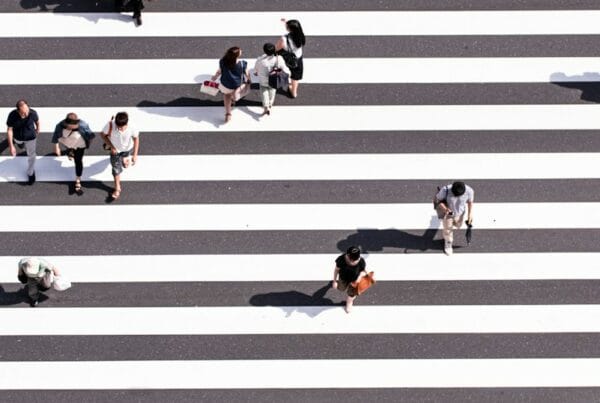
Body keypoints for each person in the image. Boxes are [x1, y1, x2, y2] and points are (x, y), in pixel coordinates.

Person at [52, 113, 95, 195]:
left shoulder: (83, 125)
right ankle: (70, 151)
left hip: (80, 145)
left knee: (78, 161)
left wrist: (87, 144)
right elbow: (55, 135)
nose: (75, 126)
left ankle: (78, 179)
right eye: (72, 125)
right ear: (67, 123)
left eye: (76, 125)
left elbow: (90, 136)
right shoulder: (60, 126)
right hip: (68, 143)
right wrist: (56, 147)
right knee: (69, 148)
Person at [100, 112, 140, 200]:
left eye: (122, 127)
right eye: (118, 127)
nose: (120, 129)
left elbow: (136, 139)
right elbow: (102, 134)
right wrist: (112, 147)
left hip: (128, 148)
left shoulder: (132, 127)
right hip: (115, 151)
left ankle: (125, 159)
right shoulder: (111, 124)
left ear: (127, 123)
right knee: (115, 168)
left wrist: (135, 155)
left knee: (125, 158)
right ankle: (117, 188)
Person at [211, 47, 250, 123]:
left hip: (225, 84)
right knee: (242, 88)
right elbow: (247, 73)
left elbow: (219, 71)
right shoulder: (242, 64)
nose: (241, 50)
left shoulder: (222, 61)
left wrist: (215, 77)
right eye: (239, 51)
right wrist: (249, 80)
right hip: (237, 85)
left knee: (226, 95)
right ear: (236, 56)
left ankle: (228, 113)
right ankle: (234, 97)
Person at [434, 181, 474, 256]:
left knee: (458, 225)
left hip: (460, 213)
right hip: (448, 213)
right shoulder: (445, 190)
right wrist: (445, 209)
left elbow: (470, 202)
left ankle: (452, 227)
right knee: (448, 228)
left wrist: (470, 215)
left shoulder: (469, 191)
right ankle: (448, 242)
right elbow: (437, 200)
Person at [6, 99, 40, 185]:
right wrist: (11, 146)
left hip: (31, 138)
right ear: (18, 111)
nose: (26, 114)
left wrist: (38, 128)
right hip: (18, 137)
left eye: (27, 111)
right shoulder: (12, 115)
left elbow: (37, 121)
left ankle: (30, 172)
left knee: (32, 155)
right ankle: (19, 144)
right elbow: (10, 130)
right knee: (20, 145)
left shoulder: (32, 113)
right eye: (23, 113)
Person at [254, 43, 290, 116]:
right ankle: (270, 104)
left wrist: (255, 72)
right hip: (274, 80)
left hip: (263, 80)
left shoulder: (260, 59)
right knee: (272, 91)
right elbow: (285, 69)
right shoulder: (278, 59)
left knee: (264, 92)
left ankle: (266, 106)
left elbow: (256, 69)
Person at [332, 246, 367, 313]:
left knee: (352, 293)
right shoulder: (341, 259)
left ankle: (349, 302)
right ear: (347, 255)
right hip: (343, 278)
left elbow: (363, 271)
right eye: (351, 259)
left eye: (355, 260)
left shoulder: (361, 261)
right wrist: (334, 281)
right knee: (341, 289)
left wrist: (360, 277)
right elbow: (336, 270)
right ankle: (350, 297)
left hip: (354, 280)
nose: (353, 261)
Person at [276, 19, 306, 98]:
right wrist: (286, 22)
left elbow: (277, 49)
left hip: (287, 58)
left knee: (282, 69)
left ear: (289, 29)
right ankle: (294, 92)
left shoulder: (284, 39)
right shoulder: (301, 36)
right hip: (297, 58)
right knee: (295, 76)